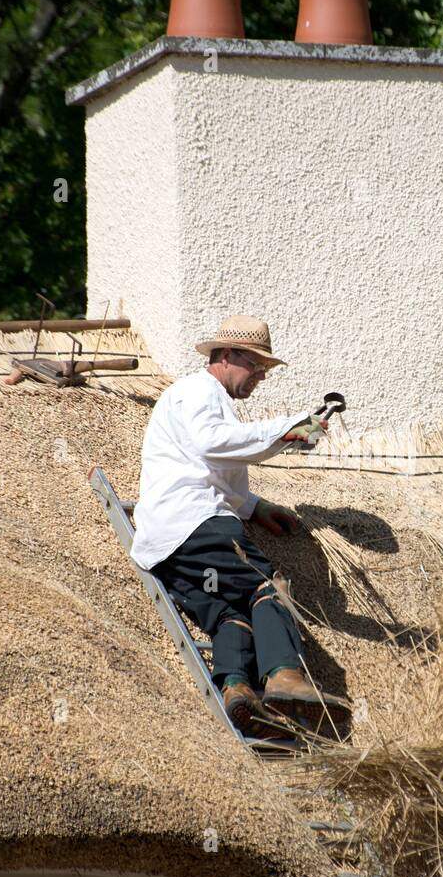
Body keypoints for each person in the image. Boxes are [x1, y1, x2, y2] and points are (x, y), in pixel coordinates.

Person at [129, 315, 348, 739]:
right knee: (268, 587)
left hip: (168, 548)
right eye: (257, 366)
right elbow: (215, 442)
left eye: (266, 369)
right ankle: (284, 676)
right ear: (227, 356)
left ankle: (236, 687)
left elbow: (208, 469)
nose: (262, 377)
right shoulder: (198, 390)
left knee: (229, 613)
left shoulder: (199, 400)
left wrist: (255, 506)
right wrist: (289, 427)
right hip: (198, 526)